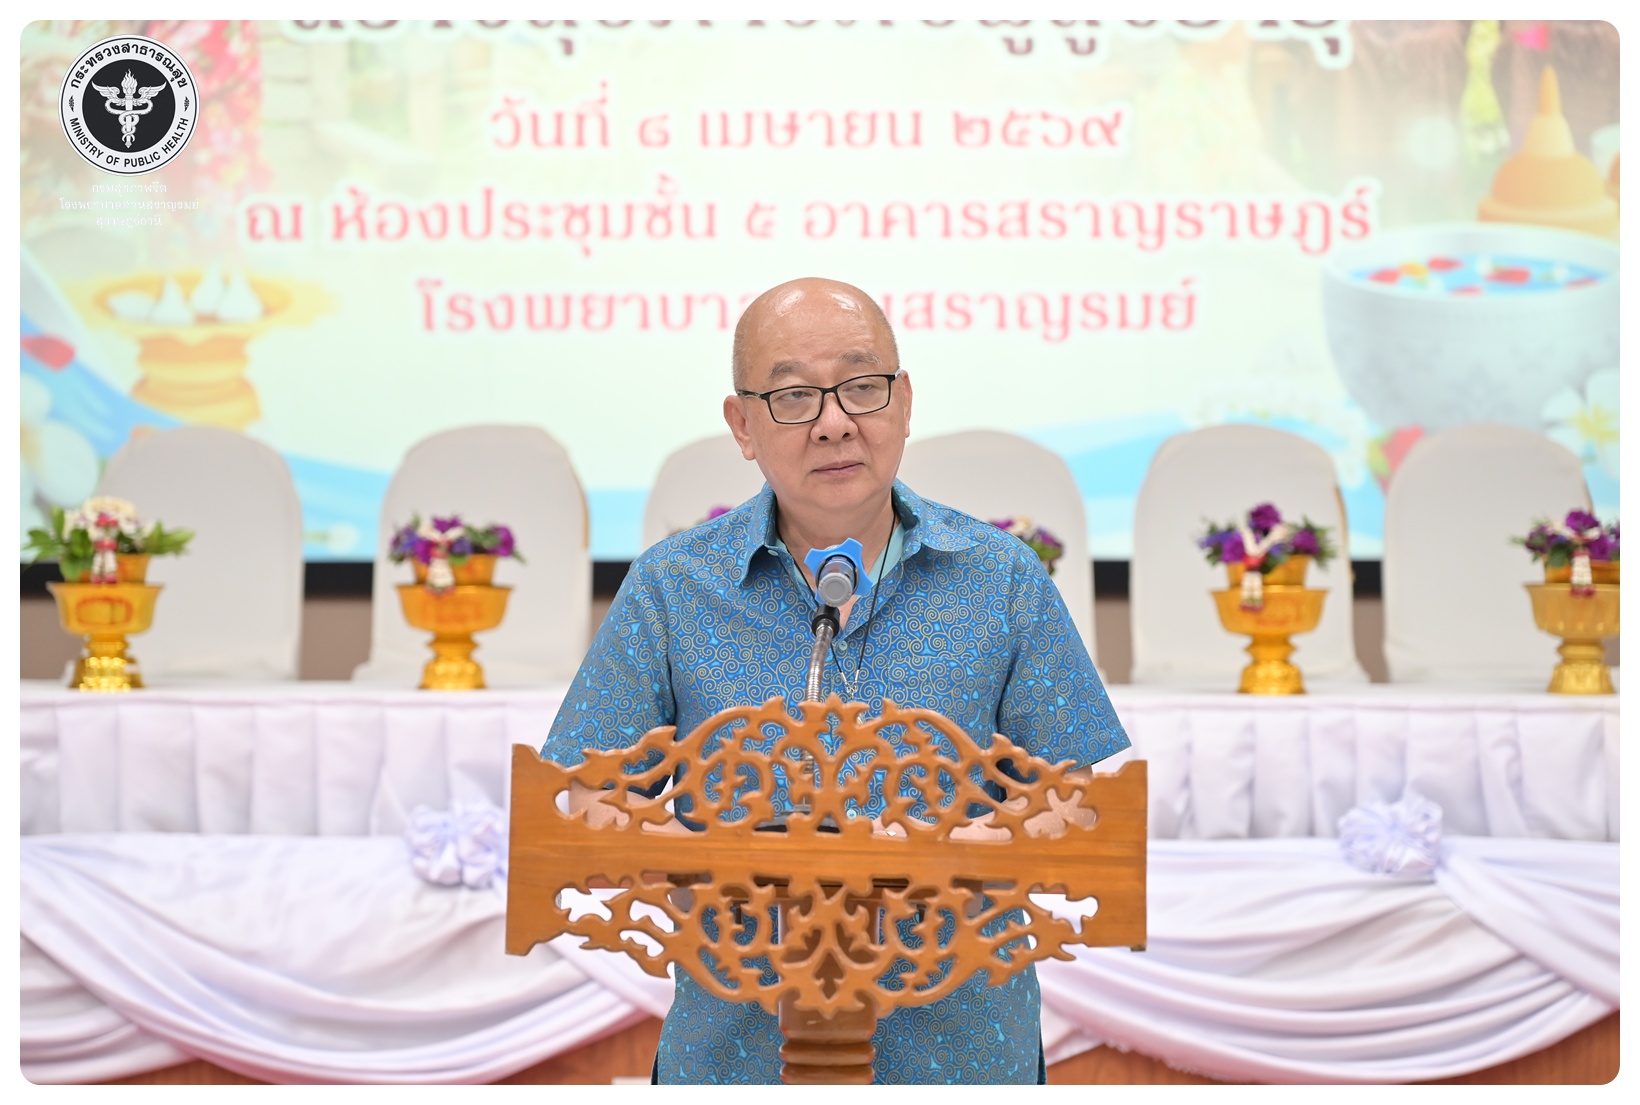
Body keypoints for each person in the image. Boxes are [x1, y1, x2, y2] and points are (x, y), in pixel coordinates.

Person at [542, 276, 1130, 1084]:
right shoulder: (672, 588)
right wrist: (723, 860)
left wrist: (949, 855)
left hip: (961, 1054)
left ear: (905, 402)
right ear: (741, 425)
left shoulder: (1002, 579)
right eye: (793, 396)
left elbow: (1081, 799)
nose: (834, 422)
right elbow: (582, 797)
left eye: (861, 386)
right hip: (740, 1054)